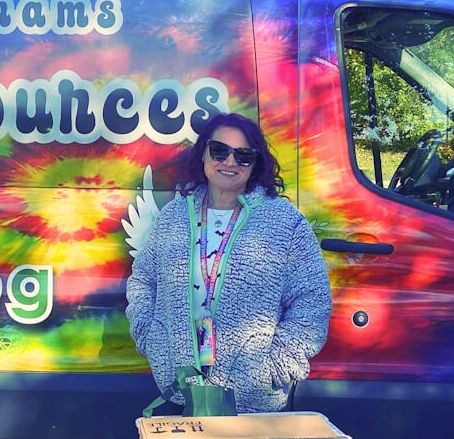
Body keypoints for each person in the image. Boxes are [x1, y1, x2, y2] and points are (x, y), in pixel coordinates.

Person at [126, 113, 332, 413]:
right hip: (181, 391)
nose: (230, 162)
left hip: (253, 400)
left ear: (255, 163)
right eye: (220, 151)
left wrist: (276, 364)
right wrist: (152, 338)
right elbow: (143, 280)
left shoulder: (285, 222)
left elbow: (312, 300)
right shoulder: (173, 217)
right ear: (204, 153)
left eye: (243, 155)